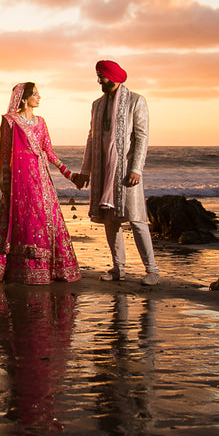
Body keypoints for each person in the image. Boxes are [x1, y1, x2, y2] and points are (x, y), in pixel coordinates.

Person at [0, 82, 81, 284]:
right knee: (25, 221)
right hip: (21, 181)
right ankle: (23, 269)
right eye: (35, 94)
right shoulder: (10, 121)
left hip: (41, 179)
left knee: (45, 218)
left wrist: (68, 174)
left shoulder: (41, 122)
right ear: (24, 98)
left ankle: (50, 268)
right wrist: (5, 185)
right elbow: (5, 155)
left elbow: (49, 152)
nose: (39, 98)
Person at [74, 60, 160, 285]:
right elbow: (92, 138)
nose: (99, 80)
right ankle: (118, 268)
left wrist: (136, 169)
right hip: (103, 171)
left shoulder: (136, 101)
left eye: (101, 76)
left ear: (113, 76)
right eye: (98, 75)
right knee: (110, 221)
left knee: (137, 219)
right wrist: (86, 171)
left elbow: (141, 137)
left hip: (126, 172)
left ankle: (152, 271)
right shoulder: (97, 104)